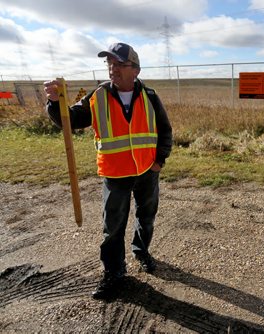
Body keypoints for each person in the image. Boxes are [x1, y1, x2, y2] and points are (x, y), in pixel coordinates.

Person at [44, 42, 173, 299]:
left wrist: (159, 161)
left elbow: (165, 131)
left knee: (146, 218)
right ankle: (114, 273)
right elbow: (70, 121)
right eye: (109, 64)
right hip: (115, 175)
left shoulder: (150, 95)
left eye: (119, 64)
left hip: (147, 171)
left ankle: (141, 251)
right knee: (112, 227)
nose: (112, 69)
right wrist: (54, 103)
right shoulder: (98, 95)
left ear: (135, 69)